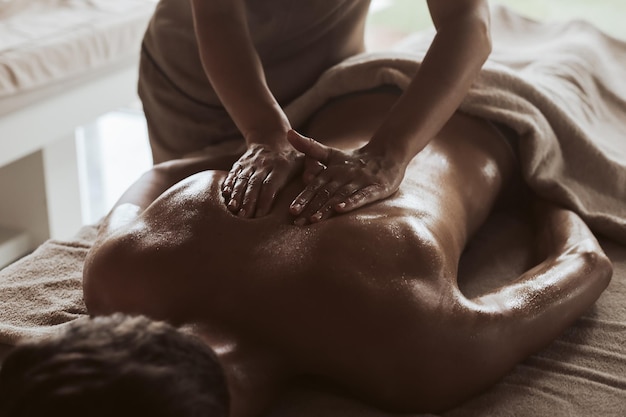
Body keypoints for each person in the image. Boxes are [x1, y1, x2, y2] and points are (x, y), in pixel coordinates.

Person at [0, 88, 612, 417]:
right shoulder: (119, 270)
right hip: (340, 86)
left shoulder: (416, 356)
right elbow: (157, 175)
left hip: (518, 111)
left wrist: (541, 191)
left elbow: (584, 263)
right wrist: (225, 155)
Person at [139, 0, 492, 223]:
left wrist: (389, 152)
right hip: (192, 89)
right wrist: (264, 132)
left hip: (322, 80)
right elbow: (219, 15)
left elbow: (466, 19)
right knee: (188, 221)